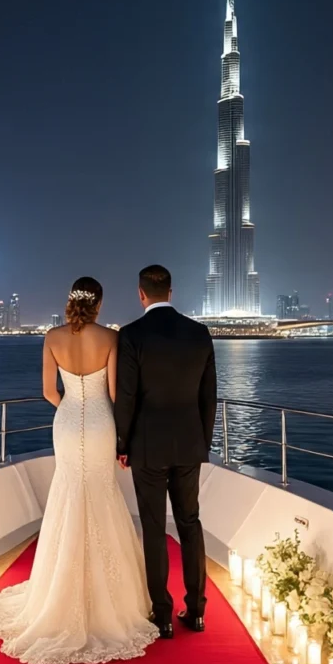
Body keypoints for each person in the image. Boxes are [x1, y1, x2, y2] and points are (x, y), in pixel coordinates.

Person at [0, 276, 159, 664]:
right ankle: (115, 600)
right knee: (101, 492)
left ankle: (57, 594)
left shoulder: (52, 336)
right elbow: (115, 394)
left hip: (66, 421)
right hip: (100, 422)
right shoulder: (110, 338)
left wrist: (70, 405)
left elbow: (49, 391)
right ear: (99, 303)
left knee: (67, 493)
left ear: (70, 301)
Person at [114, 264, 217, 638]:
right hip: (190, 444)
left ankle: (162, 616)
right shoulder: (199, 333)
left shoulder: (131, 335)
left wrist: (121, 443)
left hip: (146, 445)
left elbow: (126, 397)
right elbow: (209, 397)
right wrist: (201, 443)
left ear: (141, 294)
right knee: (190, 524)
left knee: (155, 529)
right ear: (171, 293)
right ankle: (198, 611)